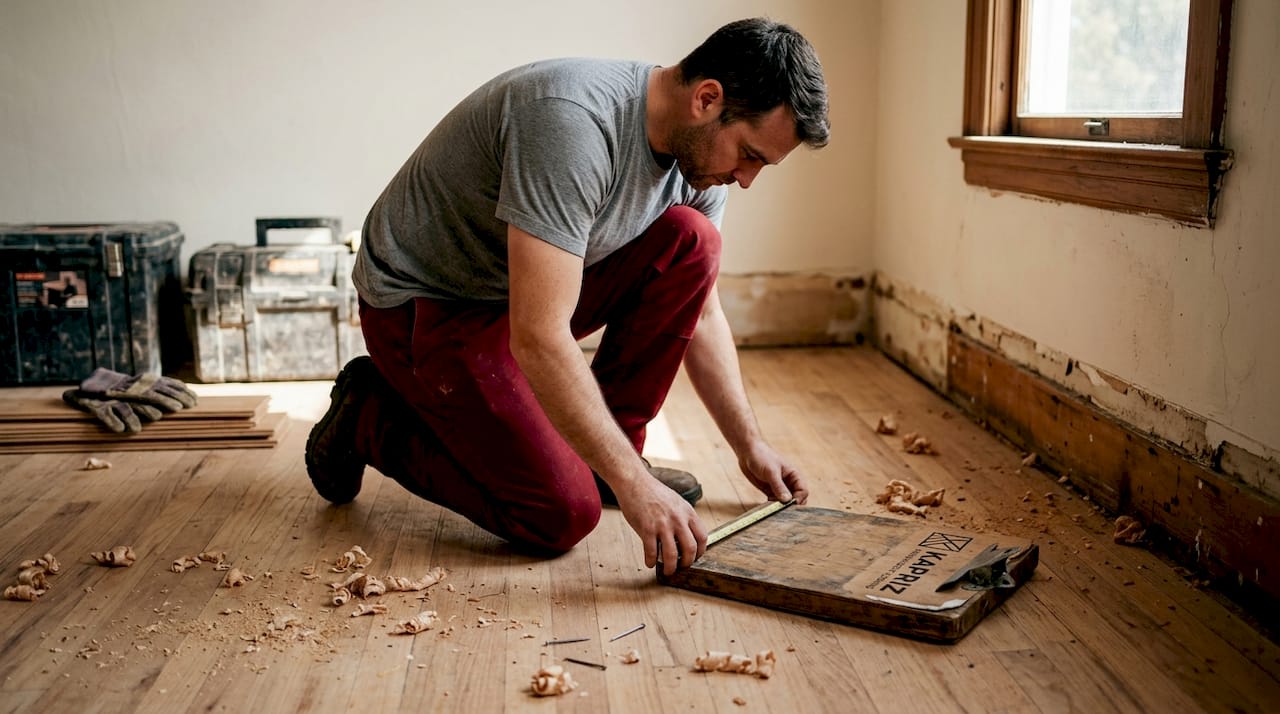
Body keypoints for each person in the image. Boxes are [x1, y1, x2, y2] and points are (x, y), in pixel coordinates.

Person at [306, 17, 829, 575]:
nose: (747, 178)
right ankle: (368, 415)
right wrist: (638, 486)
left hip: (522, 295)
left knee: (692, 243)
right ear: (707, 98)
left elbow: (701, 312)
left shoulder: (698, 163)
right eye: (749, 154)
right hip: (428, 306)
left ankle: (607, 461)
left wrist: (750, 446)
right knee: (559, 514)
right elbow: (538, 336)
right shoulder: (572, 122)